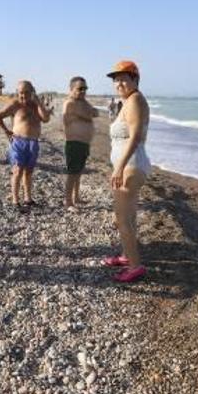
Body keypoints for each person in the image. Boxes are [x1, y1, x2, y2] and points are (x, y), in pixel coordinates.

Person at [104, 60, 152, 283]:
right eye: (116, 79)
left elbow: (134, 137)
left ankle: (135, 266)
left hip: (130, 166)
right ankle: (127, 255)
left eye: (124, 78)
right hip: (131, 164)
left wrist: (120, 167)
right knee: (128, 216)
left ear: (135, 79)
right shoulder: (130, 101)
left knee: (122, 219)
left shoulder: (134, 101)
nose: (119, 83)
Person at [0, 80, 51, 210]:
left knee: (29, 172)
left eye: (27, 92)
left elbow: (46, 119)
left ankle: (28, 199)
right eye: (21, 93)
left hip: (33, 143)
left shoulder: (36, 105)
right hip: (18, 142)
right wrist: (6, 131)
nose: (23, 96)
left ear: (32, 92)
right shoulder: (15, 104)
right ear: (17, 93)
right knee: (18, 170)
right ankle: (15, 200)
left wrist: (39, 102)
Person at [62, 76, 98, 210]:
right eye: (80, 88)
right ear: (71, 89)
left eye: (85, 88)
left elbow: (96, 113)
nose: (83, 91)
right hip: (74, 143)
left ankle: (76, 197)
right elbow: (66, 119)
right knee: (72, 173)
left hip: (84, 143)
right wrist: (85, 115)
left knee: (79, 172)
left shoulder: (84, 102)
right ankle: (68, 202)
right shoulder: (69, 103)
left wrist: (83, 114)